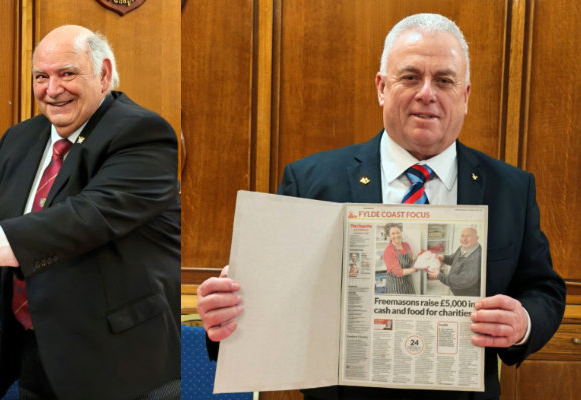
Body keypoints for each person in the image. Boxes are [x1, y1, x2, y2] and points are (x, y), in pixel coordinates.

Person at [197, 13, 566, 399]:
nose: (427, 93)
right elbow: (270, 303)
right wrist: (228, 312)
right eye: (410, 77)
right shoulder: (310, 182)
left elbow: (543, 289)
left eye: (444, 80)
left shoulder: (510, 188)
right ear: (381, 88)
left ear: (465, 95)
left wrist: (522, 322)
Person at [0, 25, 181, 399]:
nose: (52, 89)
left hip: (119, 363)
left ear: (104, 73)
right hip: (36, 354)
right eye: (41, 77)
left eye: (67, 73)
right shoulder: (19, 139)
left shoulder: (142, 134)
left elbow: (84, 219)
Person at [431, 226, 482, 297]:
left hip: (466, 297)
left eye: (468, 236)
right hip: (457, 292)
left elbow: (462, 281)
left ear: (476, 238)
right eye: (462, 236)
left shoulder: (477, 257)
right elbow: (454, 258)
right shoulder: (463, 247)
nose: (464, 239)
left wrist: (439, 275)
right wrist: (443, 258)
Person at [380, 223, 420, 294]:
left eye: (398, 232)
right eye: (393, 233)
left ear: (401, 233)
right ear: (389, 236)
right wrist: (416, 268)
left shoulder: (406, 245)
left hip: (408, 283)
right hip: (396, 285)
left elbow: (411, 260)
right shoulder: (389, 251)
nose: (396, 235)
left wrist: (420, 259)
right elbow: (398, 272)